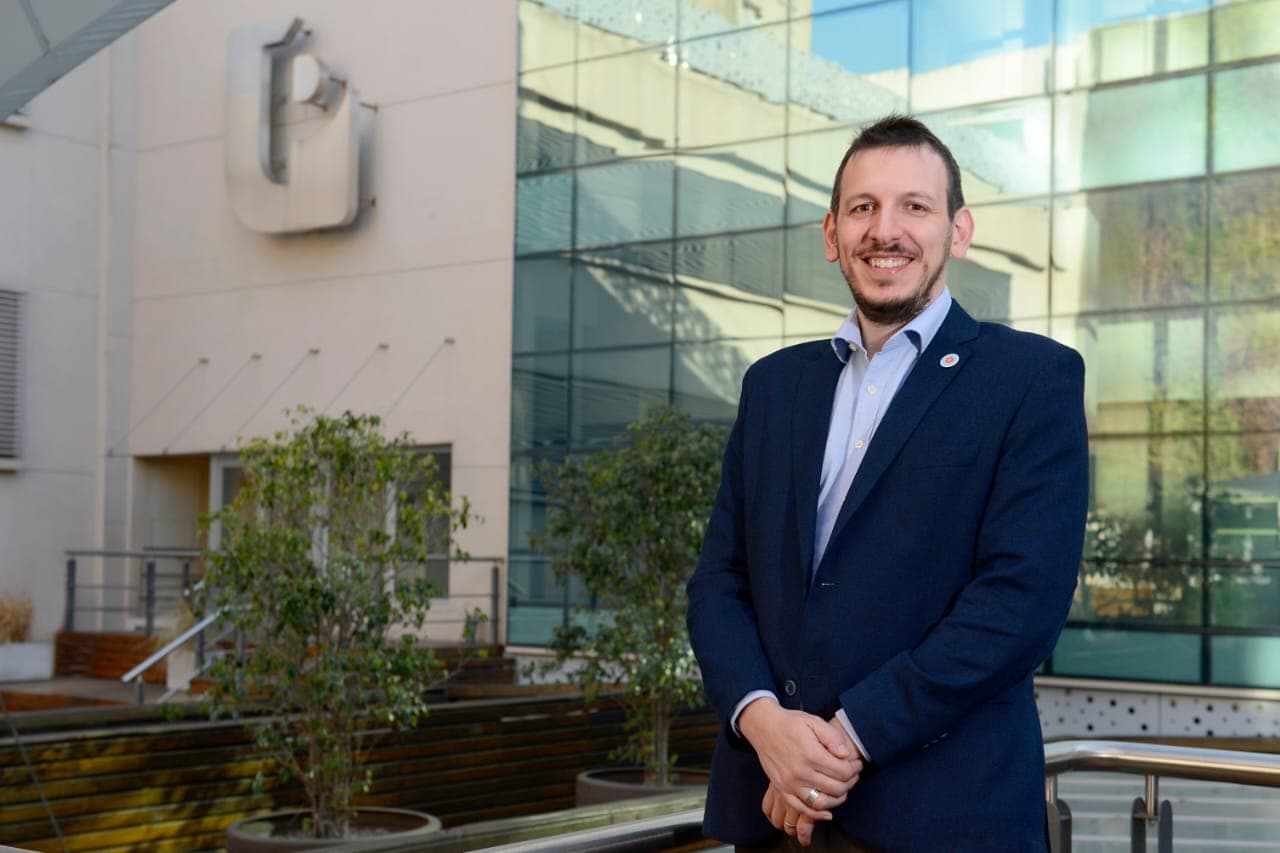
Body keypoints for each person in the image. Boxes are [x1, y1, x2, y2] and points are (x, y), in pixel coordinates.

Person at [686, 114, 1089, 851]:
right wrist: (764, 723)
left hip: (942, 817)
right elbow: (719, 581)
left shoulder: (1032, 379)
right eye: (863, 207)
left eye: (915, 206)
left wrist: (844, 740)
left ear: (958, 231)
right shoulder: (773, 386)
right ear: (831, 233)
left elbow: (1019, 604)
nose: (885, 229)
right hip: (774, 810)